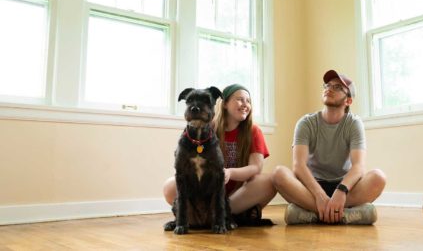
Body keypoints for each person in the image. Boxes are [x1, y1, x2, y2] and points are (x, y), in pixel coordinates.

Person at [272, 69, 386, 225]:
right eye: (327, 85)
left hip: (344, 186)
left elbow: (358, 166)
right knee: (279, 174)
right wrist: (319, 195)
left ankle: (312, 214)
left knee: (378, 177)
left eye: (338, 87)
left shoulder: (353, 123)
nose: (329, 89)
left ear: (348, 101)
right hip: (311, 187)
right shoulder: (306, 123)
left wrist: (341, 191)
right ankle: (346, 214)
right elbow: (299, 166)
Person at [163, 84, 276, 224]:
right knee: (169, 187)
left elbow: (256, 168)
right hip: (206, 192)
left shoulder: (254, 131)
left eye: (248, 101)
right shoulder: (207, 126)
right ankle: (224, 216)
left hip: (237, 193)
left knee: (269, 181)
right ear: (225, 104)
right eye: (240, 99)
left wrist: (230, 172)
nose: (245, 104)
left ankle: (220, 214)